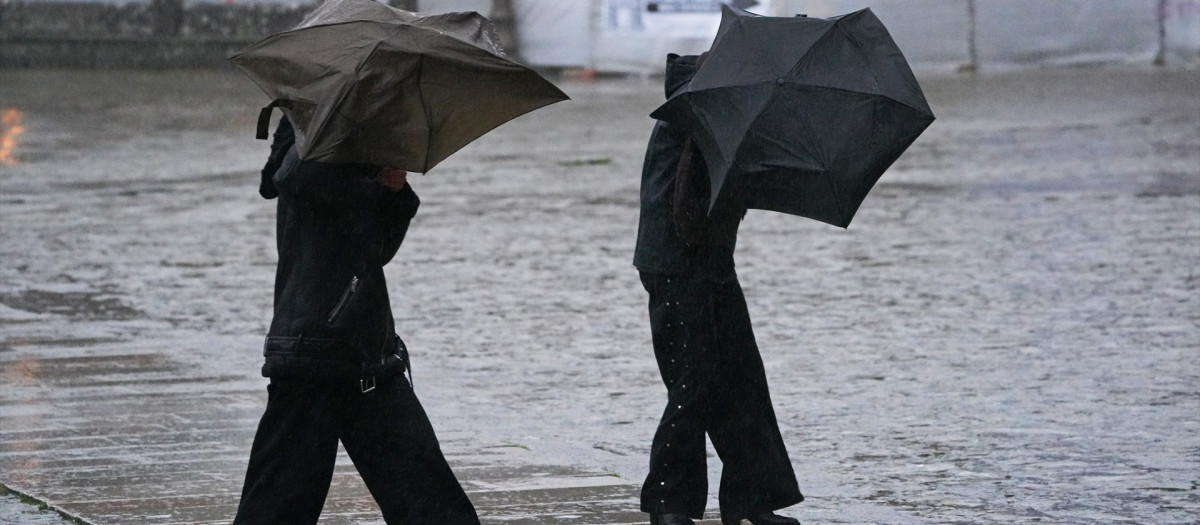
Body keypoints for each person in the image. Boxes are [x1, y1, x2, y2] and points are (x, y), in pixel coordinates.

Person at [233, 116, 480, 525]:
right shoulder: (315, 118)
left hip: (365, 355)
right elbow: (297, 177)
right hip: (312, 353)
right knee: (275, 509)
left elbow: (375, 248)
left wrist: (391, 193)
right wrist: (372, 184)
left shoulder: (364, 129)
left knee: (435, 507)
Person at [632, 53, 804, 525]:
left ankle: (751, 501)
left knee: (743, 376)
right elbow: (689, 208)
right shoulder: (693, 115)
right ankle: (668, 503)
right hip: (674, 264)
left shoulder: (726, 117)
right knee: (696, 378)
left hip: (712, 260)